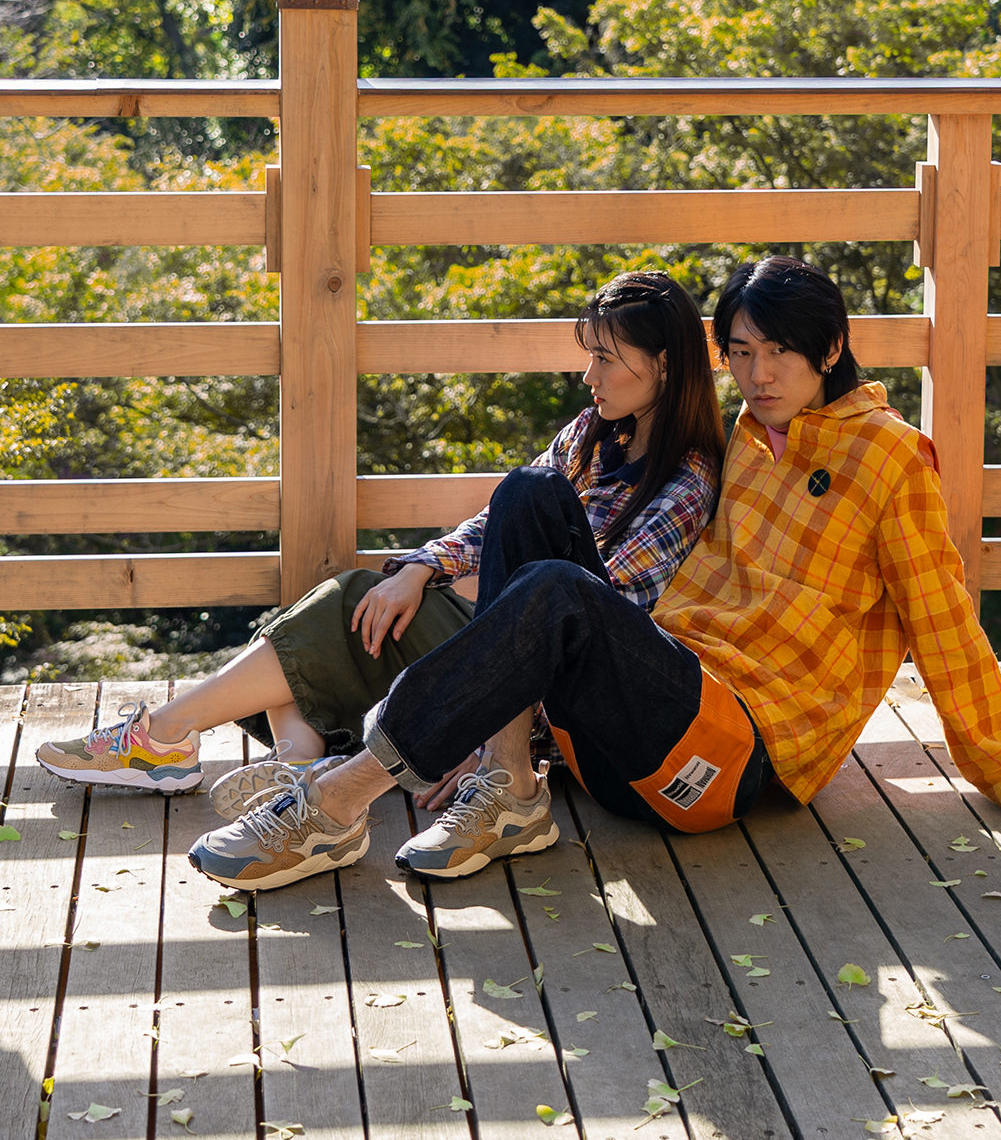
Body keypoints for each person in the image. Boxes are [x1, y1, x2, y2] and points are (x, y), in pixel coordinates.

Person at [183, 254, 1001, 892]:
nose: (759, 373)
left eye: (780, 352)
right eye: (741, 353)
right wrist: (428, 566)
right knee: (527, 497)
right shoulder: (740, 437)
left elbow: (944, 622)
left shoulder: (892, 458)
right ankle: (507, 789)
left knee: (556, 590)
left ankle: (337, 799)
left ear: (829, 350)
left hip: (733, 758)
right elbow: (627, 442)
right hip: (645, 714)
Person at [36, 270, 724, 839]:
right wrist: (420, 567)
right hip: (480, 620)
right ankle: (291, 762)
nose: (587, 376)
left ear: (661, 365)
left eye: (604, 358)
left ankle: (174, 737)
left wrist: (499, 735)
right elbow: (494, 523)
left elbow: (608, 622)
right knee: (364, 601)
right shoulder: (591, 435)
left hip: (523, 670)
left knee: (343, 606)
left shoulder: (683, 482)